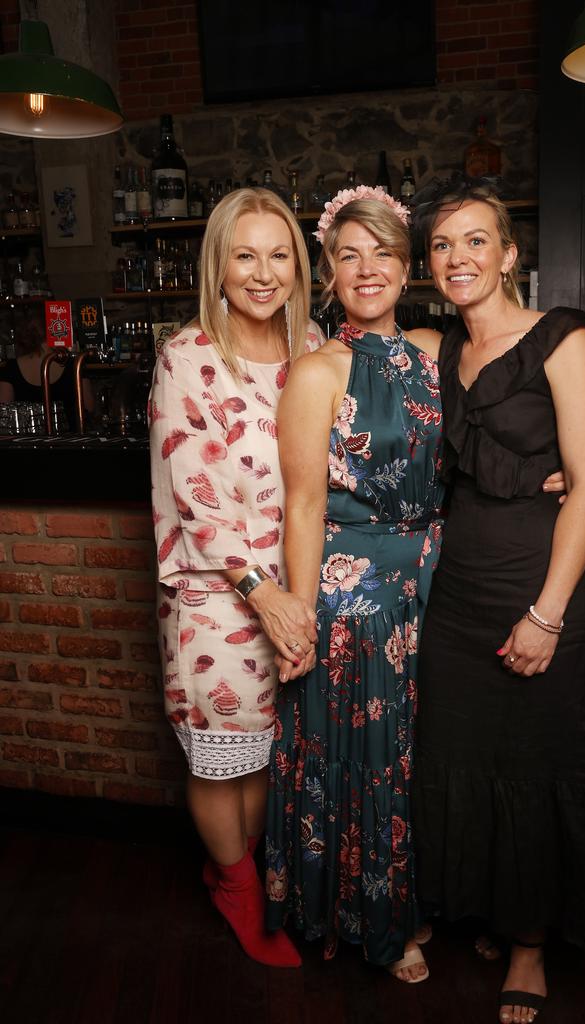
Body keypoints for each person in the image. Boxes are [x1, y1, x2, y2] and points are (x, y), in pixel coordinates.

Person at [411, 178, 585, 1024]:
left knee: (535, 760)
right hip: (458, 589)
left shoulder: (559, 337)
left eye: (476, 240)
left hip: (542, 580)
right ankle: (482, 909)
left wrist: (548, 613)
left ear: (508, 252)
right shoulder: (433, 351)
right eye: (443, 245)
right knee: (461, 751)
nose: (460, 258)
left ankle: (528, 943)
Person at [264, 186, 443, 982]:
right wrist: (300, 616)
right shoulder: (315, 373)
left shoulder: (436, 354)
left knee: (417, 757)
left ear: (408, 267)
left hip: (434, 587)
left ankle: (412, 896)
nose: (367, 269)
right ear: (329, 273)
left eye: (383, 252)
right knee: (367, 759)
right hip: (356, 599)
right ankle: (374, 918)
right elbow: (302, 504)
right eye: (348, 254)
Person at [149, 187, 323, 968]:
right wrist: (270, 596)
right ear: (217, 266)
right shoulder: (189, 355)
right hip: (218, 594)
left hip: (298, 588)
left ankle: (243, 872)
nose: (263, 273)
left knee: (263, 753)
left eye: (278, 254)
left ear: (298, 265)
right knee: (224, 752)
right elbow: (198, 494)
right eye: (245, 255)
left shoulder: (312, 343)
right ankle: (239, 890)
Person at [0, 316, 94, 427]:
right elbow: (89, 407)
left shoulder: (11, 368)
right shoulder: (75, 364)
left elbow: (4, 415)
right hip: (71, 439)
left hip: (28, 440)